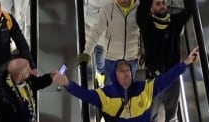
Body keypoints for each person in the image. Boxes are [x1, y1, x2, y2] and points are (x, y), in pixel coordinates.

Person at [54, 47, 201, 120]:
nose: (126, 73)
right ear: (114, 75)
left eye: (128, 70)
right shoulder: (105, 95)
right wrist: (67, 83)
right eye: (121, 71)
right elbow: (85, 95)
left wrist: (186, 62)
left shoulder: (145, 88)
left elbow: (168, 78)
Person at [137, 0, 193, 121]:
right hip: (154, 78)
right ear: (151, 8)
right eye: (158, 4)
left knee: (172, 112)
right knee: (152, 112)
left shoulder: (174, 22)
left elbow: (189, 11)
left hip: (173, 75)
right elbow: (140, 15)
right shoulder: (147, 25)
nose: (162, 6)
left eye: (163, 3)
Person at [79, 0, 141, 86]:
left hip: (131, 58)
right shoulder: (108, 8)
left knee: (127, 91)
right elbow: (96, 30)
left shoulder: (139, 8)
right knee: (110, 93)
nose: (121, 0)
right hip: (112, 59)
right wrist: (87, 52)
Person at [0, 56, 52, 122]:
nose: (30, 71)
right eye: (28, 69)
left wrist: (50, 77)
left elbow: (38, 83)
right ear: (20, 76)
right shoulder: (2, 102)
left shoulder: (26, 79)